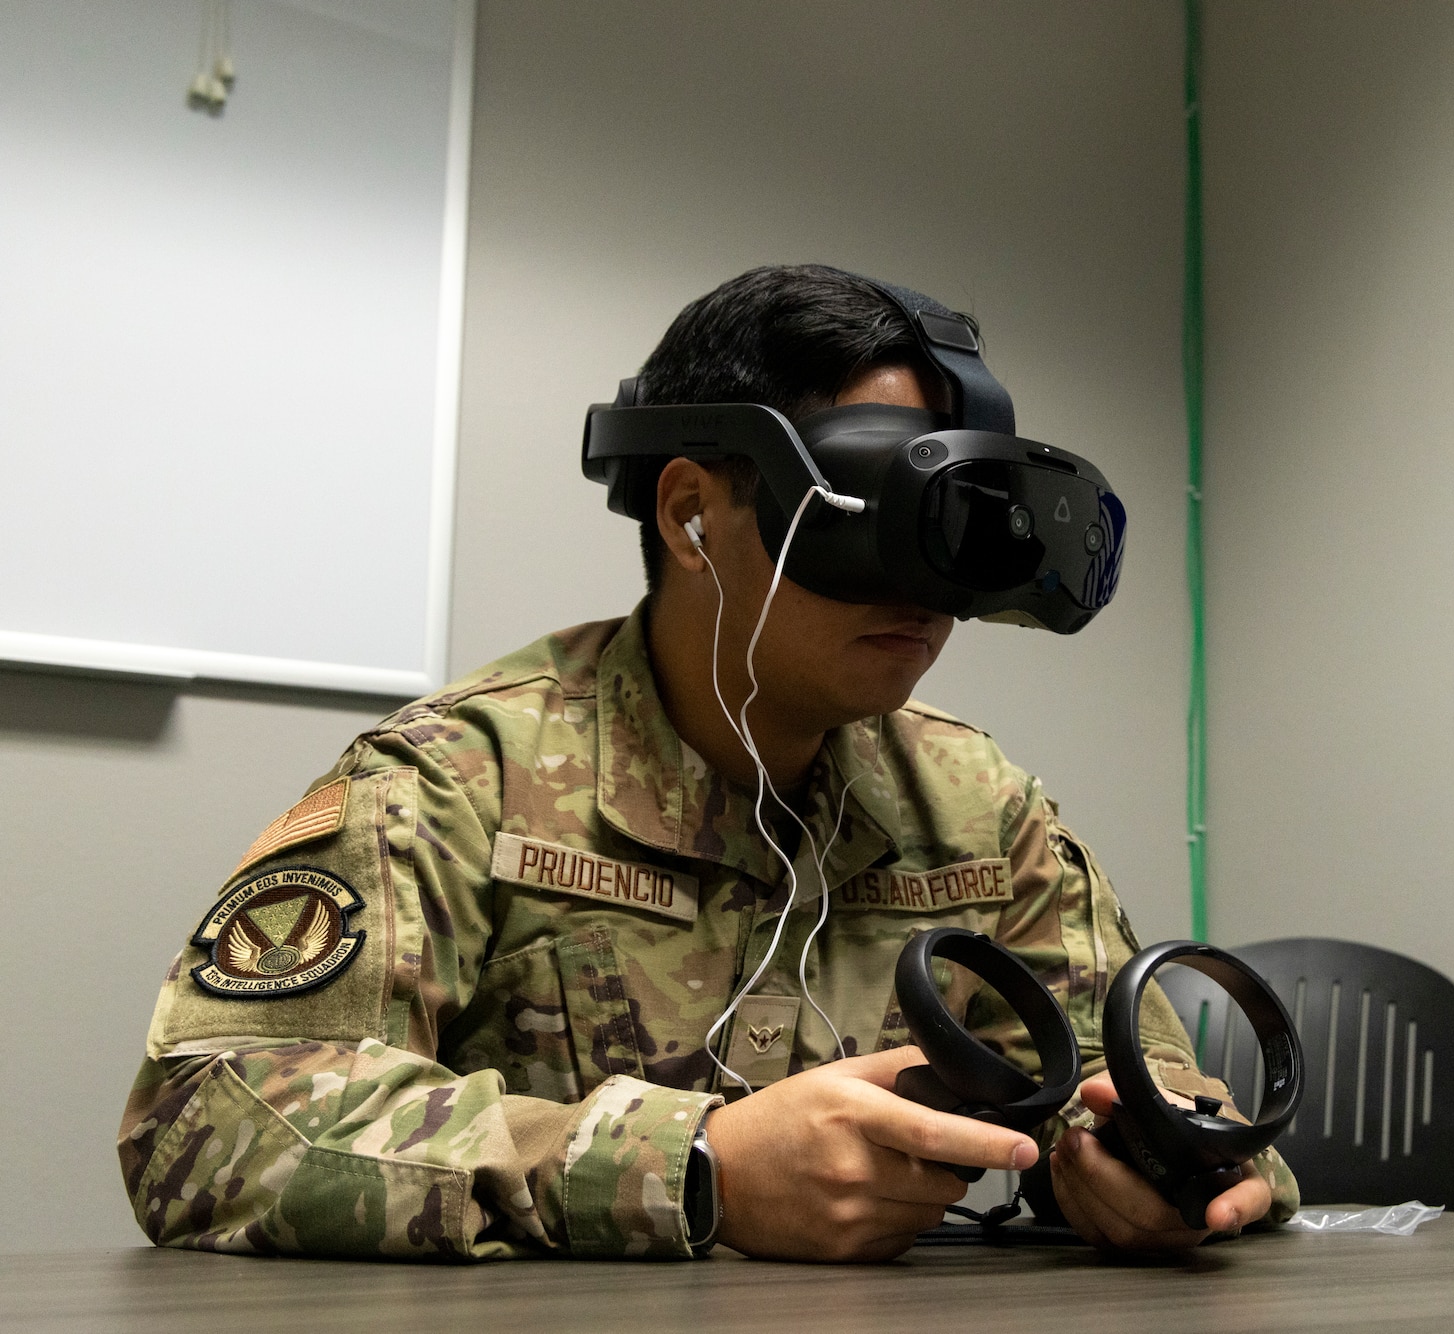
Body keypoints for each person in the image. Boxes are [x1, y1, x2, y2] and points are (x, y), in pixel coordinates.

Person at [118, 264, 1297, 1262]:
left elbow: (1146, 1082)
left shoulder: (972, 805)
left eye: (950, 526)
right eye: (875, 513)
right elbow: (209, 1117)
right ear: (691, 515)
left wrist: (1146, 1162)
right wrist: (693, 1166)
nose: (925, 592)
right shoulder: (456, 780)